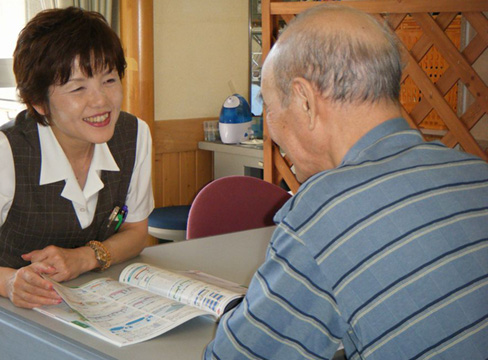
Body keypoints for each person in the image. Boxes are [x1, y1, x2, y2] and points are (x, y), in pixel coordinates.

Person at [205, 4, 488, 360]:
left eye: (270, 105)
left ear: (305, 102)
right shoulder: (476, 173)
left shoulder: (324, 213)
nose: (270, 127)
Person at [0, 7, 154, 309]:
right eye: (78, 88)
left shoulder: (134, 135)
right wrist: (7, 282)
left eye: (110, 80)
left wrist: (83, 257)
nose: (101, 101)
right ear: (38, 102)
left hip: (85, 307)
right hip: (1, 312)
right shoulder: (5, 151)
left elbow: (136, 233)